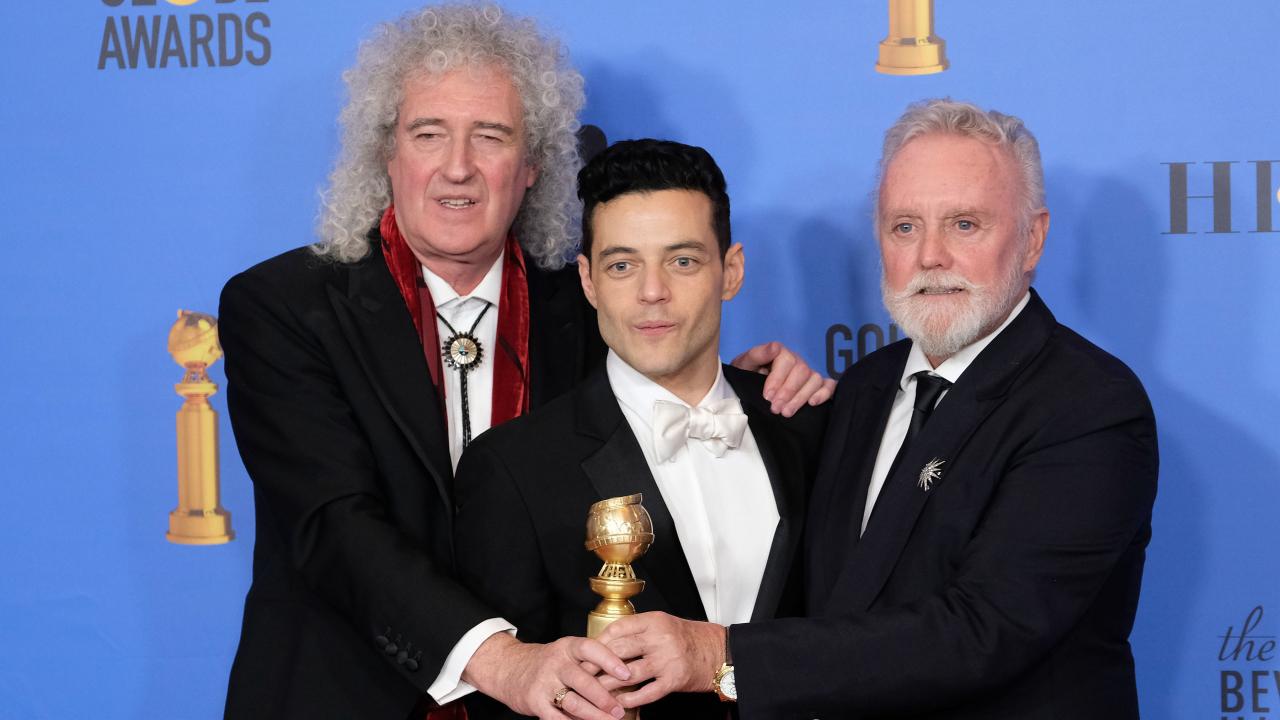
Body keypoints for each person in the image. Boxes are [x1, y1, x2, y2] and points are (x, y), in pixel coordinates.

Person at [217, 4, 831, 719]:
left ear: (534, 163)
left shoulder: (590, 296)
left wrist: (755, 387)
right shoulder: (284, 306)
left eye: (492, 136)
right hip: (344, 696)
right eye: (428, 133)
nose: (459, 167)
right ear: (385, 152)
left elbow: (668, 376)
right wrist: (500, 661)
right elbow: (334, 526)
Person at [596, 99, 1160, 719]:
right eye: (905, 227)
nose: (930, 256)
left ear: (1033, 238)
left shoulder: (1089, 406)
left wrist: (722, 657)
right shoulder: (861, 389)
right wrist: (756, 402)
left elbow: (980, 632)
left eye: (965, 225)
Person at [453, 139, 827, 719]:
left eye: (683, 260)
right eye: (622, 265)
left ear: (731, 271)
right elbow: (503, 703)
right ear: (588, 281)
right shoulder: (514, 468)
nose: (653, 292)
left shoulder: (811, 427)